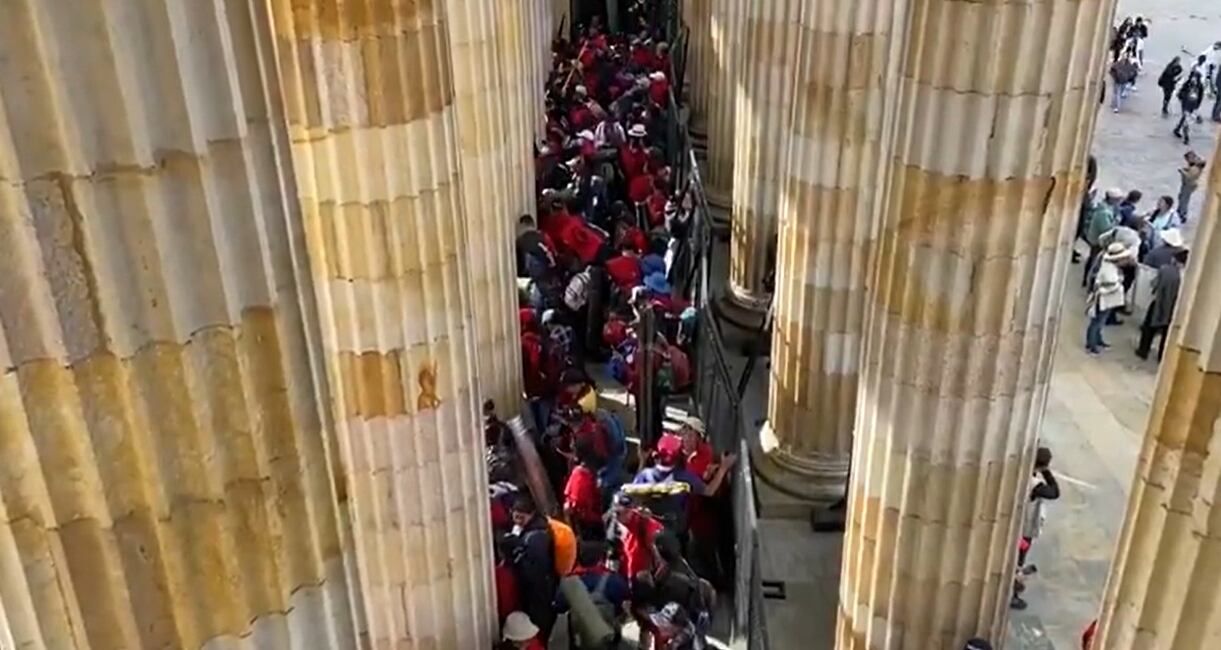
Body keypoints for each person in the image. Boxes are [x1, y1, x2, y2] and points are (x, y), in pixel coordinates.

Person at [1012, 446, 1060, 610]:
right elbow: (1055, 492)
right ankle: (1012, 593)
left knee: (1017, 557)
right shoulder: (1034, 485)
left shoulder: (1022, 473)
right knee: (1017, 560)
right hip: (1024, 528)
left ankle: (1015, 581)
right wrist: (1046, 472)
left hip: (1018, 523)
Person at [507, 494, 559, 640]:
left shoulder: (536, 538)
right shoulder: (534, 530)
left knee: (538, 630)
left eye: (522, 518)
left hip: (539, 594)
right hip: (541, 591)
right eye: (516, 517)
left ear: (531, 514)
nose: (518, 522)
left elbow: (535, 571)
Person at [1137, 248, 1188, 361]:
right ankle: (1162, 356)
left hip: (1159, 302)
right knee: (1167, 333)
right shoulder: (1187, 276)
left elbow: (1154, 284)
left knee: (1148, 328)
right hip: (1175, 307)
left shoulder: (1165, 269)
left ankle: (1143, 351)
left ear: (1175, 259)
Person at [1086, 242, 1127, 355]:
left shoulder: (1108, 264)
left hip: (1106, 299)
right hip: (1104, 299)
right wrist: (1119, 283)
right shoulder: (1109, 269)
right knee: (1097, 322)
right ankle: (1091, 344)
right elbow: (1111, 285)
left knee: (1100, 321)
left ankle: (1097, 340)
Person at [563, 439, 606, 540]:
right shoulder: (589, 473)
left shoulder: (579, 475)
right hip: (592, 523)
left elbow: (575, 504)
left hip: (586, 525)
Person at [1082, 188, 1121, 287]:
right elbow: (1106, 229)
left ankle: (1086, 279)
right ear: (1112, 199)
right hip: (1098, 241)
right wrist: (1116, 221)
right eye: (1118, 199)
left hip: (1094, 237)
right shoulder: (1104, 213)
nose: (1119, 202)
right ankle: (1089, 281)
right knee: (1095, 262)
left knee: (1092, 259)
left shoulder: (1102, 207)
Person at [1174, 70, 1206, 144]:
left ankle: (1177, 129)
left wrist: (1197, 106)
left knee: (1185, 118)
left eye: (1195, 78)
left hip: (1192, 105)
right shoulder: (1188, 84)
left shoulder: (1200, 86)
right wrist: (1182, 97)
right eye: (1193, 77)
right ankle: (1186, 137)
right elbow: (1181, 91)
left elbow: (1200, 96)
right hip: (1186, 104)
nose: (1194, 79)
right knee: (1187, 120)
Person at [1177, 151, 1206, 221]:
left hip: (1188, 185)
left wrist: (1182, 171)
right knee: (1181, 197)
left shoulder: (1196, 168)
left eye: (1188, 159)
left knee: (1184, 200)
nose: (1187, 161)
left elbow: (1189, 177)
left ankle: (1182, 214)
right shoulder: (1194, 165)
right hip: (1187, 185)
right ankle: (1180, 210)